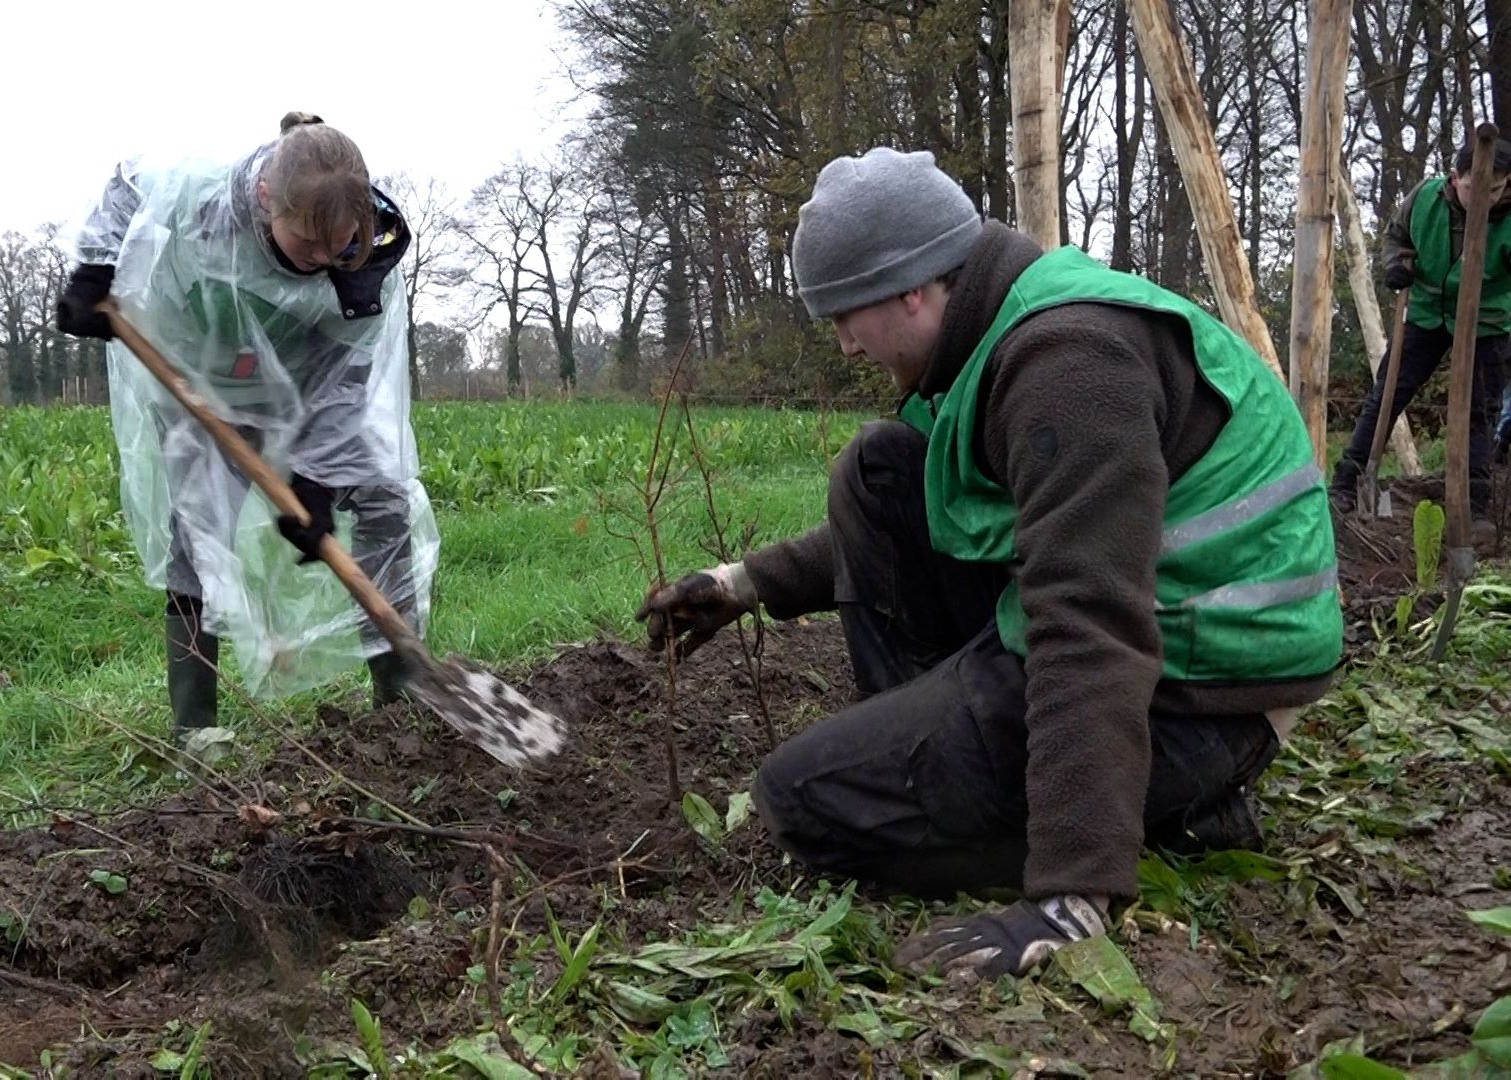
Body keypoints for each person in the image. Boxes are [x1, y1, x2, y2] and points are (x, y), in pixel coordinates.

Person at [637, 148, 1343, 981]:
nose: (846, 347)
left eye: (845, 316)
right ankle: (948, 758)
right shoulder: (1008, 330)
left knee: (805, 801)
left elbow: (1089, 621)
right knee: (881, 470)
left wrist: (1071, 896)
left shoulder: (1068, 364)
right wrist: (742, 585)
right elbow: (949, 518)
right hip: (1176, 653)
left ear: (911, 286)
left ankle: (1153, 813)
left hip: (1201, 698)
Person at [56, 112, 436, 740]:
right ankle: (196, 728)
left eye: (337, 245)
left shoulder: (362, 268)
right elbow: (128, 183)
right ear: (265, 199)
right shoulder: (196, 199)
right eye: (306, 244)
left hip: (303, 393)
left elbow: (343, 378)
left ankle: (402, 704)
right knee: (195, 534)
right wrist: (96, 268)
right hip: (200, 384)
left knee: (386, 501)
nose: (322, 262)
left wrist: (316, 475)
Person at [1330, 138, 1511, 517]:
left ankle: (1475, 505)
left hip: (1487, 322)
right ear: (1454, 176)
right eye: (1472, 189)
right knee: (1387, 395)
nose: (1483, 199)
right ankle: (1348, 482)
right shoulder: (1425, 198)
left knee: (1480, 410)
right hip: (1428, 313)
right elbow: (1397, 236)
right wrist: (1396, 263)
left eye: (1494, 191)